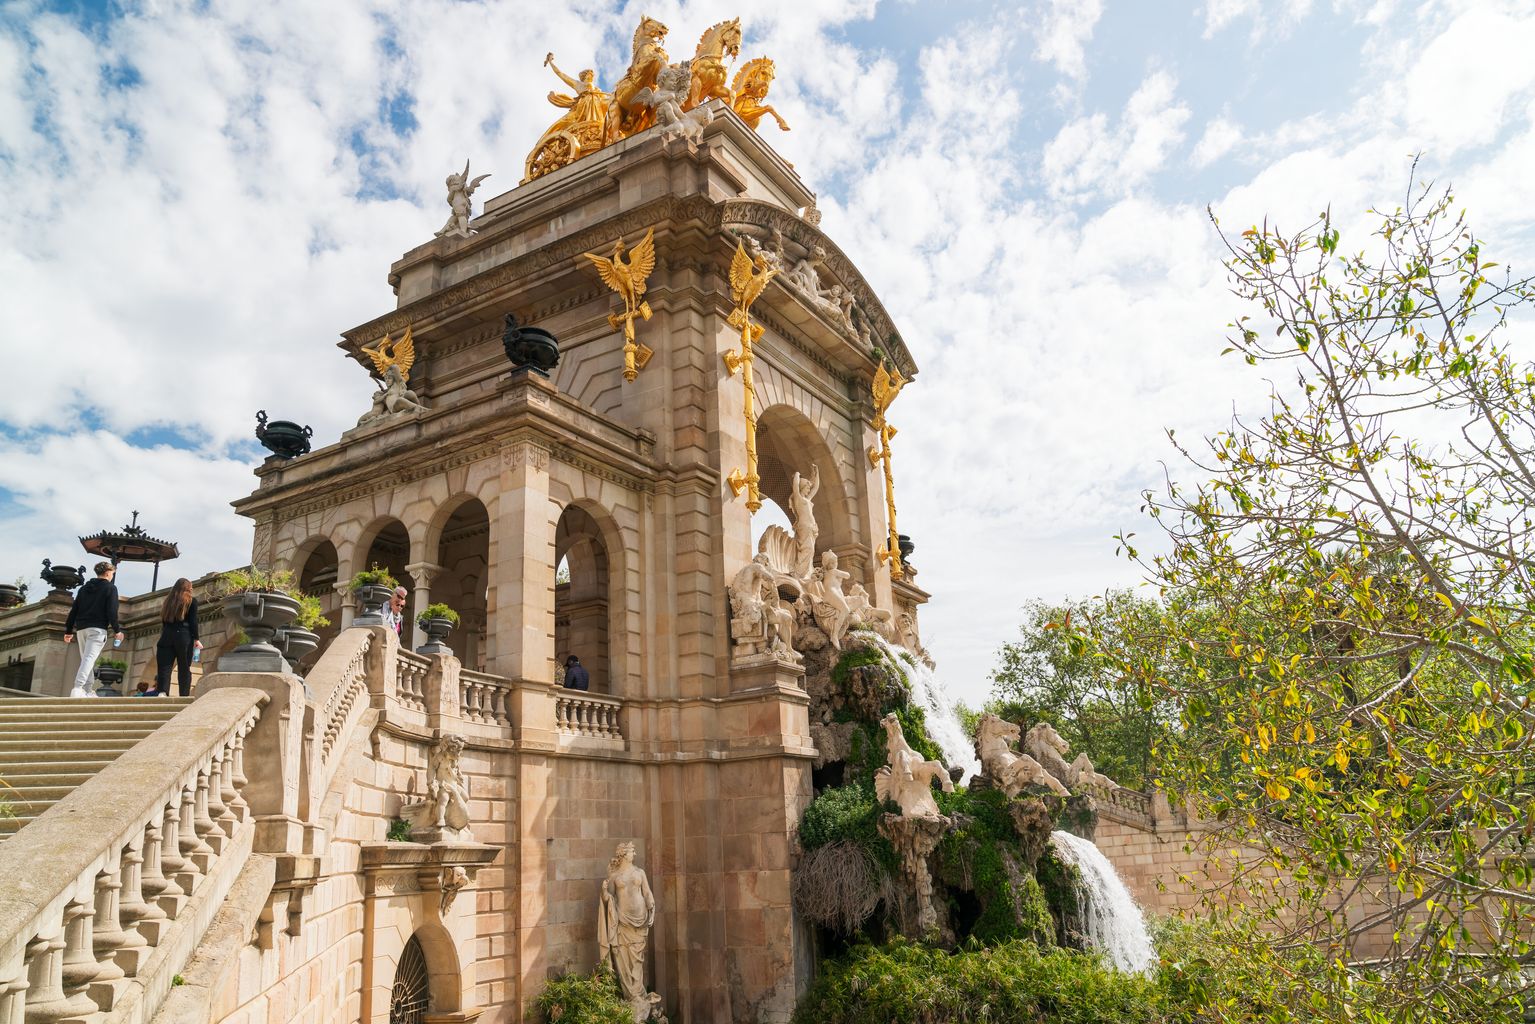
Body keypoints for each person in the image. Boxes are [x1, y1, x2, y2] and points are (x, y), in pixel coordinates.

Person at [63, 562, 122, 699]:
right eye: (112, 573)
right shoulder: (110, 588)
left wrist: (68, 630)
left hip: (82, 629)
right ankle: (77, 688)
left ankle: (88, 690)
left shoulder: (84, 589)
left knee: (87, 659)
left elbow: (74, 610)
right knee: (89, 659)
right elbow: (112, 612)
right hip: (97, 629)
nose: (112, 576)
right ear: (108, 573)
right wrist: (117, 630)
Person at [153, 577, 201, 697]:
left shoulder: (168, 601)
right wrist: (196, 638)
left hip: (167, 635)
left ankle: (162, 692)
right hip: (184, 636)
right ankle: (183, 694)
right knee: (184, 667)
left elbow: (164, 620)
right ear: (188, 588)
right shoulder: (191, 601)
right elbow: (193, 622)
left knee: (164, 666)